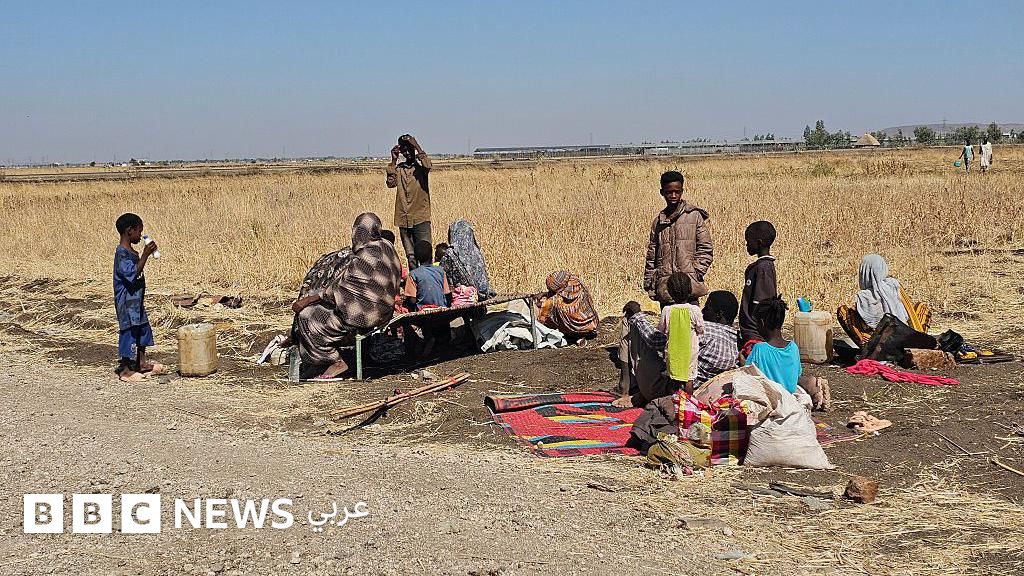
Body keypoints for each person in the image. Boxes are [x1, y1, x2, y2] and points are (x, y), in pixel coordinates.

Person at [291, 213, 402, 379]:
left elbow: (340, 291)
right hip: (385, 311)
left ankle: (333, 361)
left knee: (307, 317)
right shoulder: (387, 247)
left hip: (366, 316)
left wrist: (309, 299)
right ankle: (320, 363)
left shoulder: (365, 257)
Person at [613, 273, 702, 407]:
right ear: (690, 291)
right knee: (689, 378)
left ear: (670, 293)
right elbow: (700, 327)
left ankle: (673, 404)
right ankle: (689, 404)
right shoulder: (694, 310)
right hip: (691, 351)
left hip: (673, 351)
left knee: (673, 378)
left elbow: (660, 331)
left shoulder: (667, 310)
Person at [644, 171, 713, 307]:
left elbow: (706, 248)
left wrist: (695, 272)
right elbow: (652, 254)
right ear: (662, 192)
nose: (673, 196)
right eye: (669, 192)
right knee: (668, 325)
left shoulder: (694, 216)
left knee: (692, 324)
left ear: (682, 191)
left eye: (677, 191)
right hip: (665, 286)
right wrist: (650, 280)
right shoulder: (658, 222)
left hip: (689, 286)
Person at [113, 213, 166, 382]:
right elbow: (131, 274)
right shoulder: (121, 253)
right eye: (139, 231)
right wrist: (145, 255)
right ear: (130, 231)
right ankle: (126, 370)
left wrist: (144, 255)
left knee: (142, 328)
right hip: (126, 302)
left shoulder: (131, 252)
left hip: (136, 301)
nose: (141, 235)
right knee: (129, 332)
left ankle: (141, 363)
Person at [836, 254, 931, 346]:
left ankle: (868, 347)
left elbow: (867, 324)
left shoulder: (863, 296)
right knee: (922, 307)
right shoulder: (894, 285)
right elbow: (910, 314)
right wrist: (918, 337)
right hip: (907, 340)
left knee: (843, 311)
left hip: (879, 346)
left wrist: (856, 311)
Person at [385, 134, 432, 270]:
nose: (407, 153)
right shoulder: (399, 169)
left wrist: (417, 146)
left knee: (425, 253)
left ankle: (428, 281)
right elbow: (390, 184)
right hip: (403, 218)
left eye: (409, 150)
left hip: (421, 217)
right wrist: (393, 161)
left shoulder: (420, 169)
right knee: (410, 256)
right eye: (404, 151)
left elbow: (428, 164)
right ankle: (414, 285)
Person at [744, 295, 801, 394]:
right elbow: (797, 374)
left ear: (761, 323)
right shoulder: (793, 348)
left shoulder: (759, 349)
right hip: (789, 396)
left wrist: (742, 362)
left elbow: (748, 374)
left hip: (769, 397)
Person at [738, 221, 778, 356]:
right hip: (753, 332)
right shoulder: (760, 266)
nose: (747, 244)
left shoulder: (763, 268)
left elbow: (762, 304)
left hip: (756, 334)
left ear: (759, 242)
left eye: (749, 241)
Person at [439, 219, 496, 300]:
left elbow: (440, 276)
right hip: (481, 299)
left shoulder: (450, 253)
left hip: (461, 301)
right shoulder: (477, 252)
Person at [536, 270, 599, 342]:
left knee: (546, 311)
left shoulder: (559, 302)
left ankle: (575, 336)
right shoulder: (574, 282)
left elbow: (552, 302)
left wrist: (540, 304)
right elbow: (557, 293)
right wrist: (545, 294)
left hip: (577, 328)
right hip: (592, 321)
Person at [697, 290, 740, 385]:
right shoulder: (738, 341)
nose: (702, 311)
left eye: (707, 308)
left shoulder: (704, 330)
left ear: (719, 314)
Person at [404, 240, 451, 311]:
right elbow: (447, 294)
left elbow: (412, 300)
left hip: (423, 312)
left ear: (416, 257)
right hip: (441, 309)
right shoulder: (440, 271)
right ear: (432, 255)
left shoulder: (413, 274)